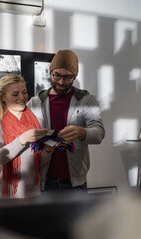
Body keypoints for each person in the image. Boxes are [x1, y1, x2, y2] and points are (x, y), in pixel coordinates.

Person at [26, 49, 105, 192]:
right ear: (50, 73)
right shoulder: (35, 103)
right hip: (44, 183)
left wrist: (81, 132)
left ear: (74, 76)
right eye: (56, 75)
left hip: (76, 184)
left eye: (67, 77)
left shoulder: (87, 101)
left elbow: (99, 133)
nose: (61, 82)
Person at [0, 74, 52, 202]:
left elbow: (39, 162)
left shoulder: (38, 122)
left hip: (34, 195)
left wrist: (48, 150)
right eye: (15, 94)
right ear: (3, 98)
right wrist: (22, 139)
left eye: (24, 92)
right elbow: (0, 157)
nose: (22, 97)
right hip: (6, 197)